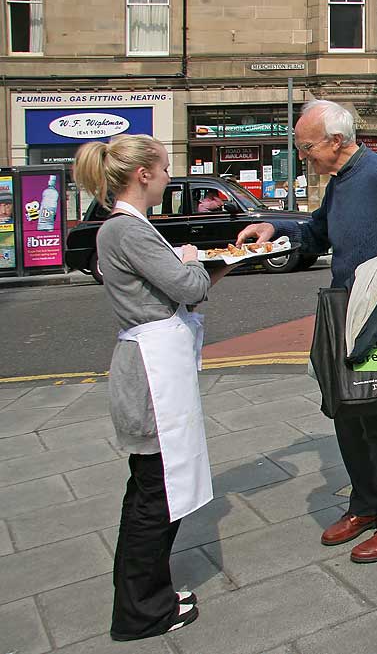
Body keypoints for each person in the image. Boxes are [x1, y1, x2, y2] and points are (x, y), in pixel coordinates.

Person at [233, 100, 377, 563]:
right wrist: (271, 229)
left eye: (307, 147)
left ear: (336, 141)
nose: (304, 156)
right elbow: (315, 234)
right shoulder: (339, 184)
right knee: (346, 409)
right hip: (346, 312)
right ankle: (366, 505)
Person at [73, 134, 230, 642]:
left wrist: (193, 264)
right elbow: (189, 288)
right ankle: (141, 612)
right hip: (150, 376)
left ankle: (150, 595)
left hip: (151, 365)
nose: (167, 175)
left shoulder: (125, 228)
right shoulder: (129, 231)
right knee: (154, 495)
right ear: (143, 174)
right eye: (163, 168)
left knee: (151, 488)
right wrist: (190, 259)